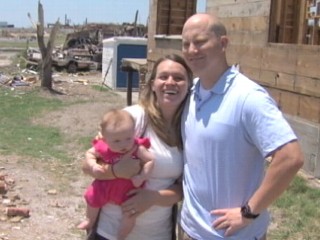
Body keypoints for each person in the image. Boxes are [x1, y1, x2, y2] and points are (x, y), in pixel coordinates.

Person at [179, 13, 304, 240]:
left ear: (223, 43)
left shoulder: (247, 97)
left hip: (234, 235)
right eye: (186, 44)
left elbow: (290, 157)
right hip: (190, 229)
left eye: (199, 42)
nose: (191, 50)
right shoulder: (191, 92)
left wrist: (249, 212)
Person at [82, 54, 193, 240]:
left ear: (189, 85)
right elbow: (87, 166)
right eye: (163, 77)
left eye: (179, 78)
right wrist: (116, 171)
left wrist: (153, 198)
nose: (171, 82)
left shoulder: (190, 127)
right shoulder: (134, 119)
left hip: (159, 234)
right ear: (152, 84)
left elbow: (183, 188)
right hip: (111, 232)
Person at [78, 109, 155, 240]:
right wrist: (94, 165)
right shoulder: (103, 147)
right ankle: (89, 220)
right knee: (92, 196)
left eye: (128, 138)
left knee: (130, 214)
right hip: (105, 186)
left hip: (129, 189)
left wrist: (142, 176)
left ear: (134, 133)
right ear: (105, 138)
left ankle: (121, 236)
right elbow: (89, 154)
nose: (124, 145)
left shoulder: (136, 147)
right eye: (117, 141)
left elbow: (150, 160)